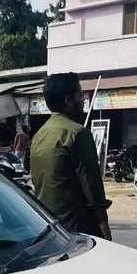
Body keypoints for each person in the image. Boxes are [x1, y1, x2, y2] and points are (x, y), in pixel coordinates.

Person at [31, 73, 112, 239]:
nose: (83, 100)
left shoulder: (39, 135)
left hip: (48, 227)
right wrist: (104, 226)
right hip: (78, 229)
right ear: (69, 100)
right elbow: (92, 186)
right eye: (80, 95)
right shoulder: (78, 133)